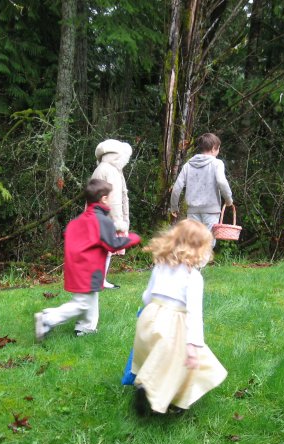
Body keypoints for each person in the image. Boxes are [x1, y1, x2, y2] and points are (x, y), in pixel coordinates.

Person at [131, 219, 227, 415]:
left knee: (159, 358)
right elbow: (194, 314)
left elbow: (147, 295)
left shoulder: (160, 265)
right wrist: (193, 346)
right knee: (179, 363)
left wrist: (150, 311)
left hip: (150, 316)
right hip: (173, 324)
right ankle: (153, 392)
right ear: (199, 249)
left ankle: (151, 387)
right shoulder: (193, 277)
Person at [34, 179, 141, 341]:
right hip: (89, 269)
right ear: (104, 199)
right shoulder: (102, 221)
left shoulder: (77, 221)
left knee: (90, 298)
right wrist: (132, 238)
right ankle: (47, 319)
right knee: (82, 303)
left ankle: (85, 327)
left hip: (75, 267)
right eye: (110, 197)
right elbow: (112, 245)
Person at [170, 133, 233, 238]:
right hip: (211, 211)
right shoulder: (217, 164)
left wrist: (174, 207)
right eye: (218, 149)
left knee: (194, 244)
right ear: (213, 149)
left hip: (192, 211)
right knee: (207, 244)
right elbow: (222, 182)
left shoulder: (188, 165)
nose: (218, 151)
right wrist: (228, 200)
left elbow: (176, 188)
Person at [91, 139, 132, 289]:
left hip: (96, 215)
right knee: (105, 250)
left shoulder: (101, 168)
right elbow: (114, 200)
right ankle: (100, 280)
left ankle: (99, 279)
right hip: (107, 217)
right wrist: (118, 223)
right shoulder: (111, 171)